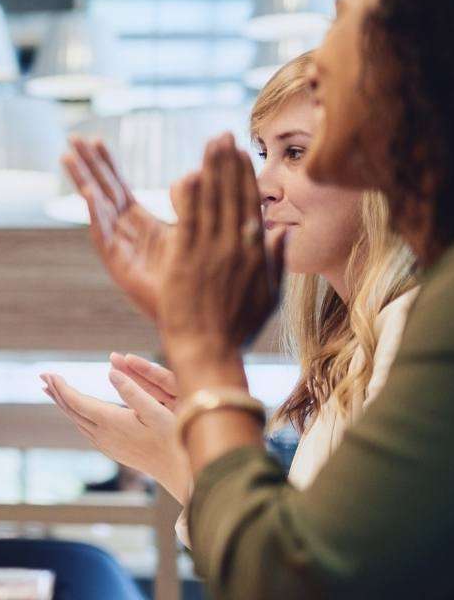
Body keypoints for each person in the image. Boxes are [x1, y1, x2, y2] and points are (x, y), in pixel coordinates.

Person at [155, 0, 454, 596]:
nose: (323, 56)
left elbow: (293, 577)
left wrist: (208, 361)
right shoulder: (381, 333)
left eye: (346, 24)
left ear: (423, 65)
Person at [40, 55, 416, 543]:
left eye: (296, 153)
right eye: (264, 154)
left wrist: (185, 449)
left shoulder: (414, 333)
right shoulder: (351, 357)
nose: (263, 186)